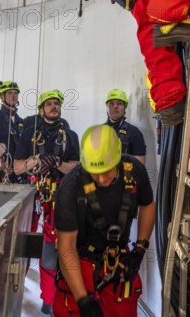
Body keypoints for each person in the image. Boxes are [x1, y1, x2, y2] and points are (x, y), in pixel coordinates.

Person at [53, 124, 155, 317]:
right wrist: (82, 300)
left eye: (106, 171)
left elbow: (148, 205)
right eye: (94, 172)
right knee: (68, 309)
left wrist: (140, 248)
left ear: (118, 159)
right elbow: (67, 246)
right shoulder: (71, 186)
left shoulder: (134, 171)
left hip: (118, 259)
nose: (100, 178)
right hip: (80, 259)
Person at [14, 90, 79, 316]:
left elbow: (76, 167)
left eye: (57, 104)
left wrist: (58, 163)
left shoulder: (70, 135)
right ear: (41, 109)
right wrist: (37, 160)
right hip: (31, 196)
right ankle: (14, 291)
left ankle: (49, 297)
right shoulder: (30, 132)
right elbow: (16, 167)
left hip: (56, 198)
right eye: (49, 104)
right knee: (21, 244)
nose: (54, 107)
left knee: (51, 249)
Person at [0, 80, 24, 182]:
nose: (13, 96)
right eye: (9, 93)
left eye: (15, 93)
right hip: (0, 174)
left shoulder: (21, 122)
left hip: (19, 174)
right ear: (2, 96)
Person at [105, 89, 146, 164]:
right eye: (111, 103)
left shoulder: (135, 133)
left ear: (125, 109)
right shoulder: (97, 132)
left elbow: (140, 165)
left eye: (120, 103)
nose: (115, 106)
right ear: (107, 108)